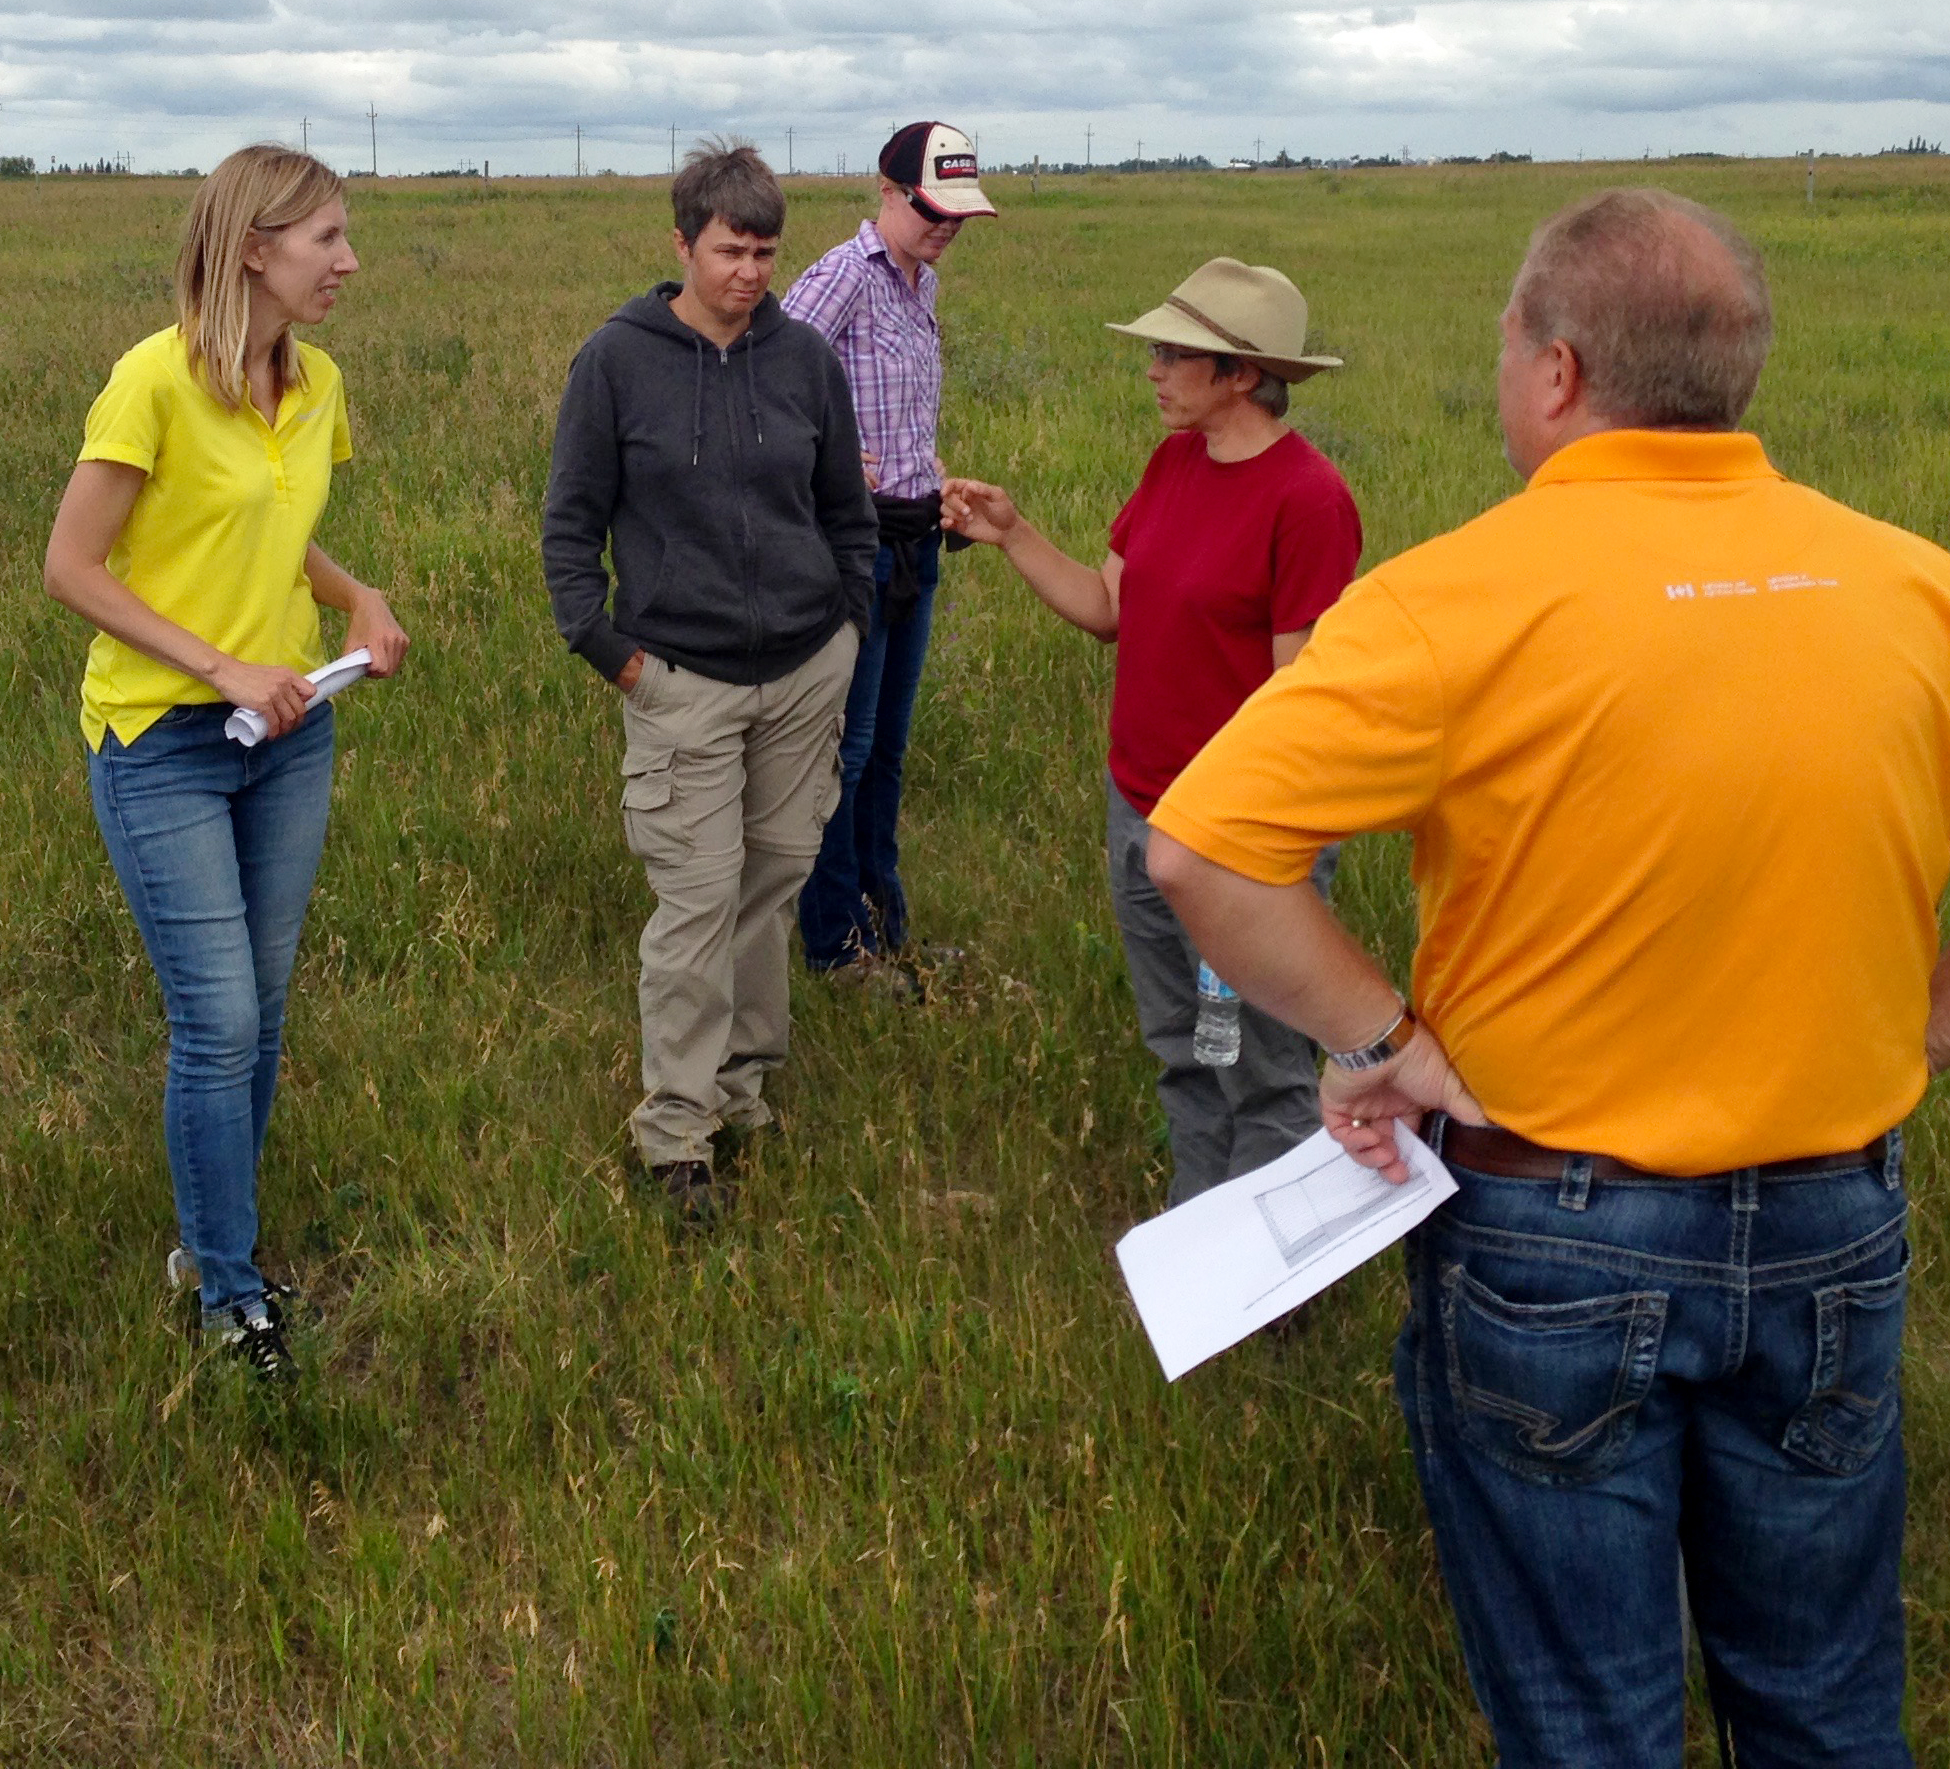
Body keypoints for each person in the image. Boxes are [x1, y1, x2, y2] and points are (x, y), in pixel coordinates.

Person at [1145, 188, 1950, 1765]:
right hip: (1838, 1218)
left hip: (1543, 1233)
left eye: (1504, 342)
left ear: (1557, 373)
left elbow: (1202, 854)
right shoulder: (1923, 590)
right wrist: (1909, 1027)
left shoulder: (1451, 598)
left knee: (1590, 1723)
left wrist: (1389, 1037)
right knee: (1829, 1700)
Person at [42, 145, 409, 1387]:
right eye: (326, 242)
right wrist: (221, 669)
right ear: (252, 247)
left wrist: (357, 596)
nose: (349, 263)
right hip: (161, 741)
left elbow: (280, 534)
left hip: (290, 730)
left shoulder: (316, 384)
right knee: (219, 1023)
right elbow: (73, 571)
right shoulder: (150, 380)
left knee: (262, 1014)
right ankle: (230, 1294)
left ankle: (212, 1250)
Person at [943, 259, 1360, 1203]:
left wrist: (1232, 841)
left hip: (1241, 841)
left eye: (1175, 354)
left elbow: (1299, 703)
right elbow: (1106, 608)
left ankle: (1270, 1278)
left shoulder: (1310, 500)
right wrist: (1012, 532)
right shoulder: (1173, 463)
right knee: (1183, 1048)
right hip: (1139, 808)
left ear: (1243, 374)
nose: (1153, 370)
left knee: (1264, 1063)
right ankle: (1200, 1237)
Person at [541, 141, 875, 1222]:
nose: (750, 273)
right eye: (730, 250)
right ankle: (676, 1135)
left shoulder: (804, 360)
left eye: (765, 252)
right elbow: (568, 527)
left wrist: (849, 629)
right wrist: (611, 652)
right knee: (693, 901)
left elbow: (844, 513)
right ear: (681, 243)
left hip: (803, 669)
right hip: (678, 678)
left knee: (769, 885)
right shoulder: (616, 360)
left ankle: (742, 1088)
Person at [780, 121, 995, 982]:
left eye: (958, 216)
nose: (945, 227)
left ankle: (886, 926)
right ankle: (836, 946)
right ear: (886, 189)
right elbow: (766, 376)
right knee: (849, 749)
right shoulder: (842, 277)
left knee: (891, 748)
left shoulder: (923, 287)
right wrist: (816, 457)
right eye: (930, 209)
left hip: (918, 541)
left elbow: (895, 409)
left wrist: (929, 468)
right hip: (853, 549)